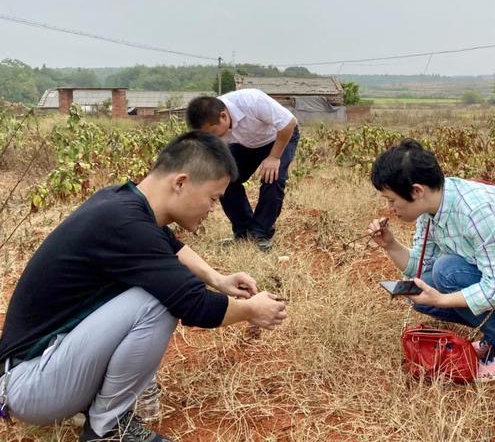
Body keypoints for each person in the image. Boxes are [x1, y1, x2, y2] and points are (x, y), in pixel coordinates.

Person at [0, 132, 288, 441]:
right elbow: (193, 305)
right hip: (31, 385)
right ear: (180, 183)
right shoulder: (125, 225)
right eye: (213, 198)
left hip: (41, 367)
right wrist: (251, 310)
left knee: (155, 287)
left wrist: (218, 278)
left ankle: (98, 406)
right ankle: (108, 428)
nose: (212, 208)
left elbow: (170, 244)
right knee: (156, 301)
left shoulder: (120, 201)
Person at [368, 138, 495, 380]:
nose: (390, 208)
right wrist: (390, 245)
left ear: (417, 191)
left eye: (392, 200)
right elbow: (422, 266)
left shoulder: (475, 212)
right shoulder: (431, 210)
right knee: (421, 289)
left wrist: (444, 300)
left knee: (447, 272)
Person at [185, 89, 299, 252]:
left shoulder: (252, 101)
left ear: (223, 116)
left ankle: (260, 235)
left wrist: (274, 157)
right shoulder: (211, 119)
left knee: (272, 178)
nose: (212, 138)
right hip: (247, 143)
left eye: (212, 133)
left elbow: (289, 123)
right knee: (224, 177)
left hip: (279, 137)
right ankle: (244, 232)